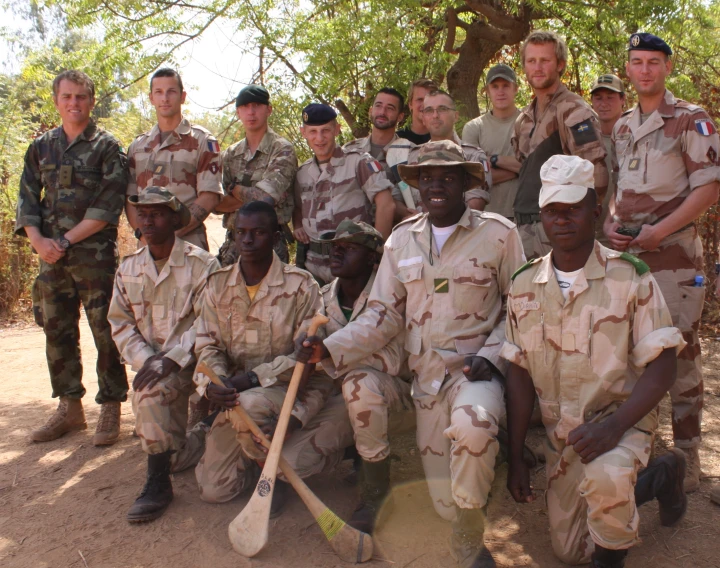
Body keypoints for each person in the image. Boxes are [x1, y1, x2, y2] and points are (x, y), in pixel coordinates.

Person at [298, 140, 526, 568]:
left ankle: (469, 536)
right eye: (427, 178)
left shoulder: (499, 234)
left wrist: (493, 356)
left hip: (473, 375)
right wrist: (328, 348)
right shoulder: (401, 242)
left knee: (472, 425)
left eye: (447, 177)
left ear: (464, 183)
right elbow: (381, 315)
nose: (436, 185)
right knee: (442, 497)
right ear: (417, 186)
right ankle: (398, 491)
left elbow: (521, 309)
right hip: (423, 382)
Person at [502, 154, 688, 567]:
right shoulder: (523, 285)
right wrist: (515, 457)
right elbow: (517, 372)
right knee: (570, 552)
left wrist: (613, 427)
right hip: (565, 434)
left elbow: (663, 364)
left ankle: (620, 490)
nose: (562, 219)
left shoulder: (631, 276)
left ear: (595, 211)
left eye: (573, 209)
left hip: (622, 418)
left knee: (606, 483)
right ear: (542, 216)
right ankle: (659, 476)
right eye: (553, 210)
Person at [604, 33, 720, 492]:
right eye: (637, 62)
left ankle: (688, 455)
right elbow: (620, 187)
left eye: (654, 62)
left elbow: (708, 189)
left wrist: (661, 230)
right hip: (630, 259)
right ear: (628, 68)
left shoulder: (691, 120)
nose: (645, 70)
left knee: (680, 354)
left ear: (667, 67)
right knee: (634, 353)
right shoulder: (624, 126)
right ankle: (644, 447)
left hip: (673, 260)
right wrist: (611, 224)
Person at [194, 201, 353, 513]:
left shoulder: (301, 286)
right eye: (240, 232)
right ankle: (255, 454)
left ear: (276, 237)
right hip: (236, 396)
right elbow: (207, 345)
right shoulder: (217, 285)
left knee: (250, 405)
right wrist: (212, 383)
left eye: (258, 233)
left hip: (288, 390)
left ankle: (286, 468)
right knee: (216, 490)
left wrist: (252, 379)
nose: (248, 240)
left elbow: (304, 359)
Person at [16, 70, 128, 446]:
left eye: (81, 96)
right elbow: (28, 199)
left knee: (105, 330)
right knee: (57, 329)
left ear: (92, 101)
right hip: (50, 257)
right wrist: (38, 242)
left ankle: (111, 405)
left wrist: (61, 241)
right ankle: (70, 407)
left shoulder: (108, 147)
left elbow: (107, 206)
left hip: (94, 256)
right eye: (67, 97)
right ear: (56, 101)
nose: (74, 103)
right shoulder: (41, 147)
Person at [108, 187, 220, 522]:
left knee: (161, 389)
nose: (148, 220)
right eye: (143, 214)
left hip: (200, 360)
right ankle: (167, 470)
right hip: (156, 366)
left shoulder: (202, 264)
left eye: (157, 213)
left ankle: (162, 477)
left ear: (175, 219)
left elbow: (211, 320)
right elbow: (120, 323)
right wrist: (147, 360)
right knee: (150, 391)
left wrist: (173, 357)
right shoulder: (128, 269)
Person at [315, 219, 414, 534]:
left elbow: (387, 360)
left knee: (360, 381)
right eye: (335, 246)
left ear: (374, 259)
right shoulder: (321, 300)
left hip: (403, 401)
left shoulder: (393, 296)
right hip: (344, 403)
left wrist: (327, 353)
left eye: (350, 247)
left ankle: (375, 494)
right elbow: (303, 361)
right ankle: (350, 453)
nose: (337, 252)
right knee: (295, 460)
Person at [512, 30, 608, 260]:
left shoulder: (573, 111)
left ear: (560, 65)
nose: (537, 67)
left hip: (558, 231)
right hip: (524, 228)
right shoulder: (523, 118)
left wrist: (575, 226)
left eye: (545, 60)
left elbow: (597, 175)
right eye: (531, 61)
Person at [292, 103, 396, 285]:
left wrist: (378, 253)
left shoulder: (359, 163)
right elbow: (298, 206)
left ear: (337, 130)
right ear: (304, 133)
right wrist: (298, 223)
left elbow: (386, 205)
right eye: (313, 131)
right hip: (312, 267)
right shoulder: (302, 173)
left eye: (325, 130)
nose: (319, 138)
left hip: (352, 265)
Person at [126, 68, 222, 251]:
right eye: (159, 92)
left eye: (171, 91)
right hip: (147, 249)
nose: (165, 98)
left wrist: (170, 236)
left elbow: (209, 196)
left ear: (183, 96)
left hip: (189, 247)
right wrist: (143, 235)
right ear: (151, 98)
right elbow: (130, 199)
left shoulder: (202, 141)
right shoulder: (138, 147)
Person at [215, 85, 298, 266]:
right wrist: (255, 195)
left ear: (268, 109)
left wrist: (234, 189)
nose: (251, 112)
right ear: (238, 112)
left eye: (257, 105)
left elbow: (265, 199)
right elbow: (216, 203)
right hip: (233, 244)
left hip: (270, 244)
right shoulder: (230, 154)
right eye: (245, 107)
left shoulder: (282, 150)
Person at [395, 90, 492, 217]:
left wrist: (433, 222)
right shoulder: (412, 156)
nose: (435, 115)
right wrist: (411, 216)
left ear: (456, 116)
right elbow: (396, 198)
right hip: (418, 232)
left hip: (461, 232)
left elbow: (475, 205)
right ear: (423, 118)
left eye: (442, 109)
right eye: (429, 110)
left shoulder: (473, 156)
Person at [343, 88, 415, 222]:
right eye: (378, 106)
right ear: (371, 111)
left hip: (396, 234)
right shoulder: (349, 151)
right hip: (353, 233)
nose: (382, 112)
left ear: (400, 116)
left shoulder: (411, 153)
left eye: (390, 108)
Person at [462, 64, 521, 221]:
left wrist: (493, 160)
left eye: (505, 86)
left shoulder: (529, 122)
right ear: (487, 91)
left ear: (515, 88)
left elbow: (537, 168)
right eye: (495, 86)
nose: (500, 91)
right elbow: (473, 178)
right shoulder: (474, 127)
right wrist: (518, 170)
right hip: (486, 215)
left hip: (525, 215)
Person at [589, 74, 625, 246]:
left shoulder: (635, 136)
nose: (604, 103)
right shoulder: (585, 141)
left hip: (623, 234)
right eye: (598, 98)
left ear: (623, 99)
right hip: (591, 235)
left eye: (610, 98)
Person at [396, 78, 438, 145]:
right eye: (420, 99)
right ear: (410, 104)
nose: (425, 104)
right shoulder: (397, 140)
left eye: (429, 99)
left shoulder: (442, 139)